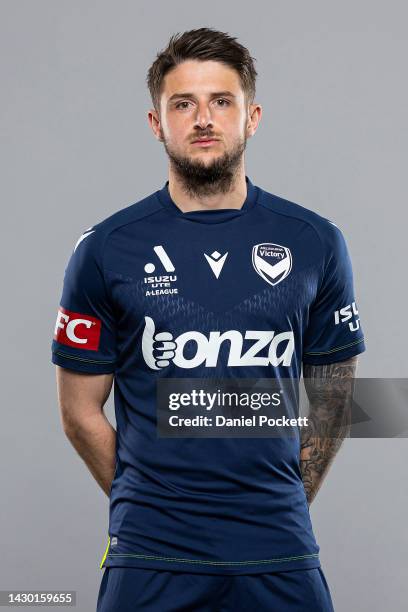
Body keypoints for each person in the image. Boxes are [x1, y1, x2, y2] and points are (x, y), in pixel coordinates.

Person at [51, 27, 365, 611]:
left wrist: (280, 504)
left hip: (280, 550)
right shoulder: (104, 249)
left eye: (222, 101)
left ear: (252, 117)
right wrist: (147, 503)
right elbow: (78, 414)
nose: (203, 118)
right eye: (183, 103)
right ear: (156, 122)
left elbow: (334, 400)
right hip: (150, 555)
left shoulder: (316, 241)